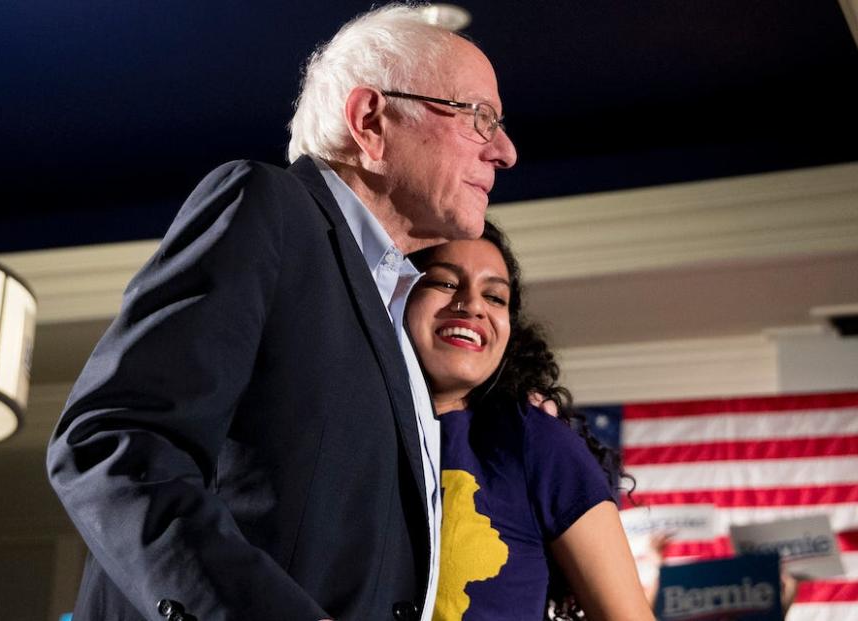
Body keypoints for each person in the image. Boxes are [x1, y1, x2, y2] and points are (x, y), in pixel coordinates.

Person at [46, 4, 517, 620]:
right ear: (371, 121)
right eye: (478, 117)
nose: (504, 151)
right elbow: (114, 445)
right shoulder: (267, 209)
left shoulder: (392, 312)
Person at [405, 222, 655, 620]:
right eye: (446, 284)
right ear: (396, 291)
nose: (472, 304)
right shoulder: (345, 433)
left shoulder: (535, 441)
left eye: (494, 296)